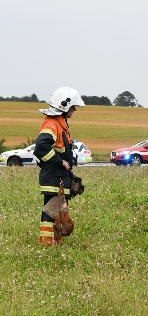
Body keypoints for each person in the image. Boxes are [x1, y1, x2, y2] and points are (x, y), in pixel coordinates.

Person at [34, 87, 85, 246]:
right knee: (51, 211)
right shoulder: (52, 124)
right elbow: (41, 147)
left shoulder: (60, 123)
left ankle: (53, 241)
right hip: (54, 177)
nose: (75, 110)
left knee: (56, 210)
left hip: (59, 177)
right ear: (64, 106)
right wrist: (60, 162)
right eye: (73, 107)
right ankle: (47, 243)